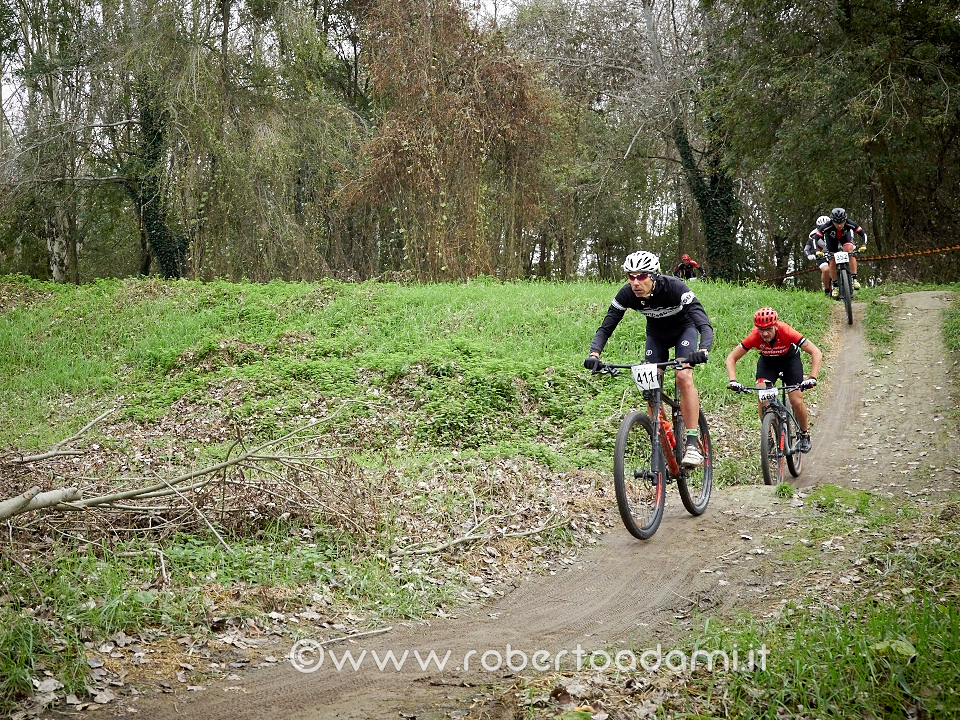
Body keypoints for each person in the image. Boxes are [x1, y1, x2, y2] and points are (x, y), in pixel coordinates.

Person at [584, 250, 714, 467]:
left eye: (642, 276)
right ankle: (664, 439)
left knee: (683, 376)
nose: (635, 282)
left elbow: (704, 324)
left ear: (654, 276)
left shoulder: (675, 287)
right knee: (650, 385)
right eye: (631, 276)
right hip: (657, 337)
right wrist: (594, 354)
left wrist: (703, 349)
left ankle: (692, 443)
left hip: (685, 331)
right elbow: (606, 327)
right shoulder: (626, 294)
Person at [724, 307, 823, 454]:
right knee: (762, 396)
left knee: (796, 401)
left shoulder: (786, 331)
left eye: (768, 329)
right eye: (761, 329)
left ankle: (804, 434)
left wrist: (812, 377)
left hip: (790, 363)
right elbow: (731, 358)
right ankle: (768, 435)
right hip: (768, 364)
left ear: (776, 326)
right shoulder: (754, 336)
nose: (764, 333)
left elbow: (816, 352)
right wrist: (733, 380)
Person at [812, 208, 868, 298]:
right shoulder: (827, 225)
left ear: (845, 220)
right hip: (831, 241)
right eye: (836, 223)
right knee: (832, 260)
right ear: (832, 221)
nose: (839, 225)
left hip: (845, 239)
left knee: (850, 251)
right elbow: (815, 238)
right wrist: (817, 251)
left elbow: (863, 234)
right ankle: (836, 286)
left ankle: (854, 278)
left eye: (842, 222)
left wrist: (864, 245)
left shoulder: (850, 223)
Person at [804, 215, 832, 297]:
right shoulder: (813, 234)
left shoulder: (835, 231)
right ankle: (827, 290)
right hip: (821, 254)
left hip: (834, 253)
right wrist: (809, 255)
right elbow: (807, 248)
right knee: (826, 270)